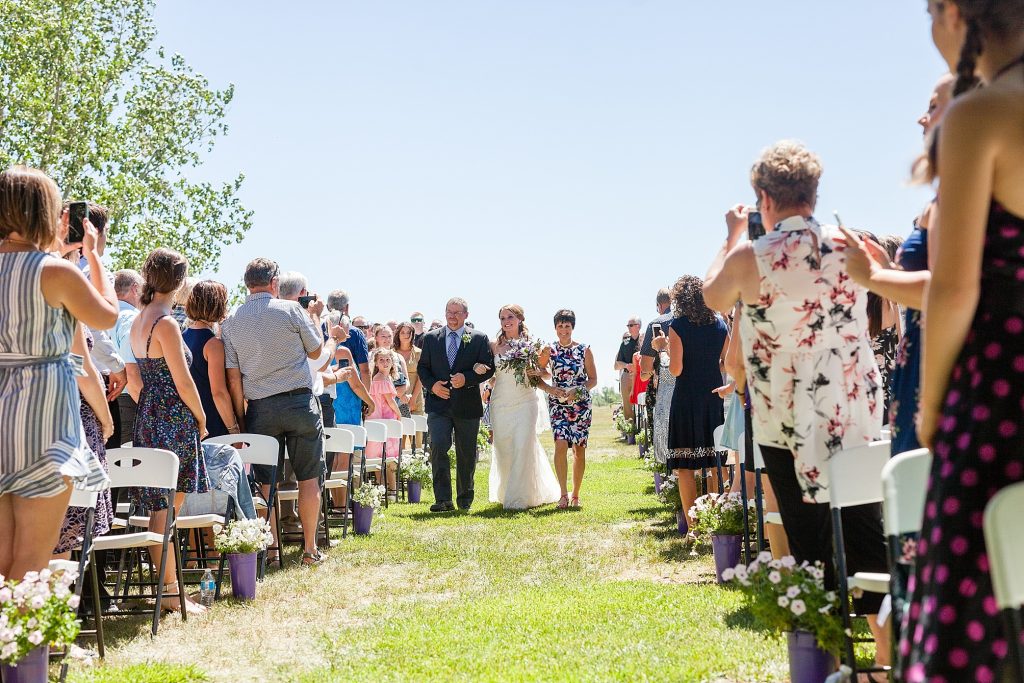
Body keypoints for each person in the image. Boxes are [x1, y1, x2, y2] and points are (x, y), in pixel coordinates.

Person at [703, 141, 890, 665]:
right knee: (865, 532)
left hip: (785, 417)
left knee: (808, 544)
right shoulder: (853, 245)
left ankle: (829, 664)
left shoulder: (751, 256)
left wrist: (731, 234)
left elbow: (714, 298)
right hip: (851, 410)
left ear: (763, 197)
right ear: (814, 192)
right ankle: (885, 662)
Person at [903, 2, 1024, 680]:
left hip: (1001, 395)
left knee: (975, 621)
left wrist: (931, 409)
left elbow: (952, 291)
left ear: (952, 13)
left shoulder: (979, 116)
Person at [0, 167, 118, 580]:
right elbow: (107, 316)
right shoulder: (54, 271)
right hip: (43, 417)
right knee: (33, 561)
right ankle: (28, 646)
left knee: (4, 562)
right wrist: (94, 259)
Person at [844, 73, 956, 455]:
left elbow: (945, 289)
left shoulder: (958, 194)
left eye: (932, 107)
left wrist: (873, 276)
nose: (921, 119)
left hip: (941, 372)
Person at [222, 258, 326, 566]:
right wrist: (315, 319)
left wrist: (241, 418)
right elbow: (316, 351)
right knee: (309, 477)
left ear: (246, 284)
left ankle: (272, 548)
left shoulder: (231, 321)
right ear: (274, 282)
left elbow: (233, 375)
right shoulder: (291, 309)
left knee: (266, 482)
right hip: (298, 402)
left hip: (260, 406)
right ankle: (309, 549)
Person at [128, 247, 210, 613]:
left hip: (148, 413)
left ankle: (167, 589)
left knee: (158, 509)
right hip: (174, 416)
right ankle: (173, 593)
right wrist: (202, 418)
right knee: (168, 509)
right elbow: (184, 381)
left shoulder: (137, 319)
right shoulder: (166, 323)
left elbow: (135, 377)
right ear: (178, 282)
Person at [653, 275, 728, 534]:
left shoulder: (678, 326)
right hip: (712, 397)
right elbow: (727, 363)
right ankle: (716, 523)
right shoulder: (720, 325)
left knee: (684, 466)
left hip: (686, 399)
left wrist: (662, 348)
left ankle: (695, 529)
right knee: (714, 463)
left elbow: (675, 369)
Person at [417, 297, 494, 512]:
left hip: (467, 405)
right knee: (439, 448)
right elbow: (423, 368)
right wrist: (432, 386)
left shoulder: (479, 338)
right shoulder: (431, 338)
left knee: (466, 453)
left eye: (457, 313)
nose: (452, 316)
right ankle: (443, 500)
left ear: (466, 315)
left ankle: (464, 499)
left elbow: (488, 368)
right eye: (449, 312)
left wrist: (467, 378)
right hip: (438, 405)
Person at [487, 305, 560, 510]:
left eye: (510, 317)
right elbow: (489, 373)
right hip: (500, 402)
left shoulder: (531, 344)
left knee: (522, 445)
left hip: (526, 401)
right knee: (503, 448)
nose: (505, 321)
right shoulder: (494, 346)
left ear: (520, 319)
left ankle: (518, 498)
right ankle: (507, 491)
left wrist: (535, 371)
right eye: (502, 318)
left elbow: (545, 374)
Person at [538, 309, 597, 509]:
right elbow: (536, 375)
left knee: (579, 451)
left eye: (567, 326)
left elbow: (593, 380)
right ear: (555, 328)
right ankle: (562, 494)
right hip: (558, 405)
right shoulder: (548, 350)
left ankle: (576, 495)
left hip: (581, 406)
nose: (564, 330)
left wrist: (578, 390)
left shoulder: (584, 349)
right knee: (560, 445)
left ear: (572, 327)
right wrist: (550, 389)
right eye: (560, 326)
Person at [183, 281, 236, 440]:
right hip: (212, 422)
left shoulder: (180, 337)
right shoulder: (213, 344)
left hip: (189, 420)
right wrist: (233, 429)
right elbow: (218, 392)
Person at [108, 268, 144, 448]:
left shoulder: (102, 316)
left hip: (105, 397)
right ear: (135, 288)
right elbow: (131, 370)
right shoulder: (131, 318)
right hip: (129, 401)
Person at [640, 289, 675, 468]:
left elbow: (645, 369)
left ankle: (669, 476)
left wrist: (646, 373)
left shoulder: (657, 323)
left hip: (667, 386)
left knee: (666, 435)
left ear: (659, 305)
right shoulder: (701, 320)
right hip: (697, 387)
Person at [366, 347, 402, 496]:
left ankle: (386, 488)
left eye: (388, 359)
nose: (385, 362)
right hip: (384, 418)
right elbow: (390, 401)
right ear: (376, 363)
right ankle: (390, 489)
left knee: (383, 454)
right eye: (381, 360)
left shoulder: (385, 378)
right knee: (385, 454)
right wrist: (399, 414)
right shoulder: (380, 378)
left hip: (382, 418)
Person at [329, 291, 371, 391]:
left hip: (324, 389)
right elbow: (364, 370)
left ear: (327, 307)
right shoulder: (356, 333)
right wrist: (367, 400)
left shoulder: (318, 328)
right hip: (352, 392)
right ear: (347, 307)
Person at [614, 316, 641, 421]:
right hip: (626, 376)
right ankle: (630, 433)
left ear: (638, 326)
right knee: (627, 404)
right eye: (628, 325)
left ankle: (642, 431)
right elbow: (617, 362)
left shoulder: (644, 339)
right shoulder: (625, 342)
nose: (628, 327)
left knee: (642, 403)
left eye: (631, 325)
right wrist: (626, 365)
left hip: (641, 376)